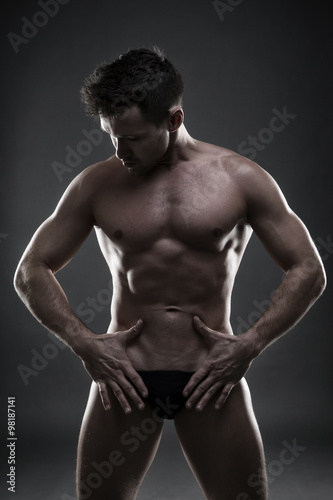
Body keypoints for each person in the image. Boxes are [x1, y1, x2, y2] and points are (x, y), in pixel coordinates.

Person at [14, 47, 326, 500]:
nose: (119, 151)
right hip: (124, 377)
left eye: (133, 138)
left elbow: (308, 269)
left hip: (210, 377)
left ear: (174, 120)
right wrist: (84, 343)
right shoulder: (95, 185)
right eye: (111, 136)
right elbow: (30, 270)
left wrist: (251, 343)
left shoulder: (241, 178)